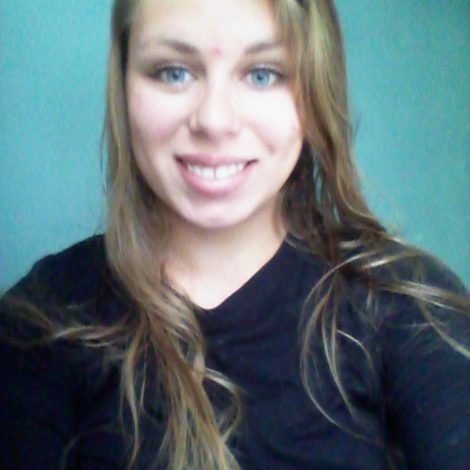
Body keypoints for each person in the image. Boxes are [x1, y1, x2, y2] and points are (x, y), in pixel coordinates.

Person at [1, 0, 469, 469]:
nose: (215, 121)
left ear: (315, 91)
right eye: (173, 72)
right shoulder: (41, 320)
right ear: (123, 85)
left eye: (263, 74)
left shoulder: (410, 307)